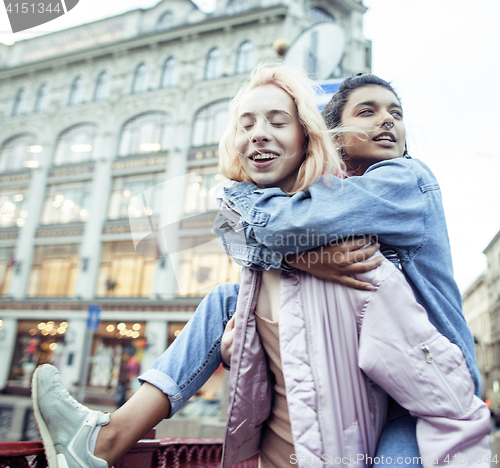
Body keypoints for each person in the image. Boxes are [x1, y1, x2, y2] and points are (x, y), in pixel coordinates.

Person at [31, 65, 490, 468]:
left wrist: (253, 211)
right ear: (331, 133)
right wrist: (296, 256)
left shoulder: (405, 180)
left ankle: (106, 437)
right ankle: (108, 436)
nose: (387, 119)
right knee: (223, 299)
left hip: (429, 386)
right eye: (367, 111)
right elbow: (248, 234)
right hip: (382, 374)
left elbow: (277, 223)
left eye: (395, 112)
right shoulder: (339, 190)